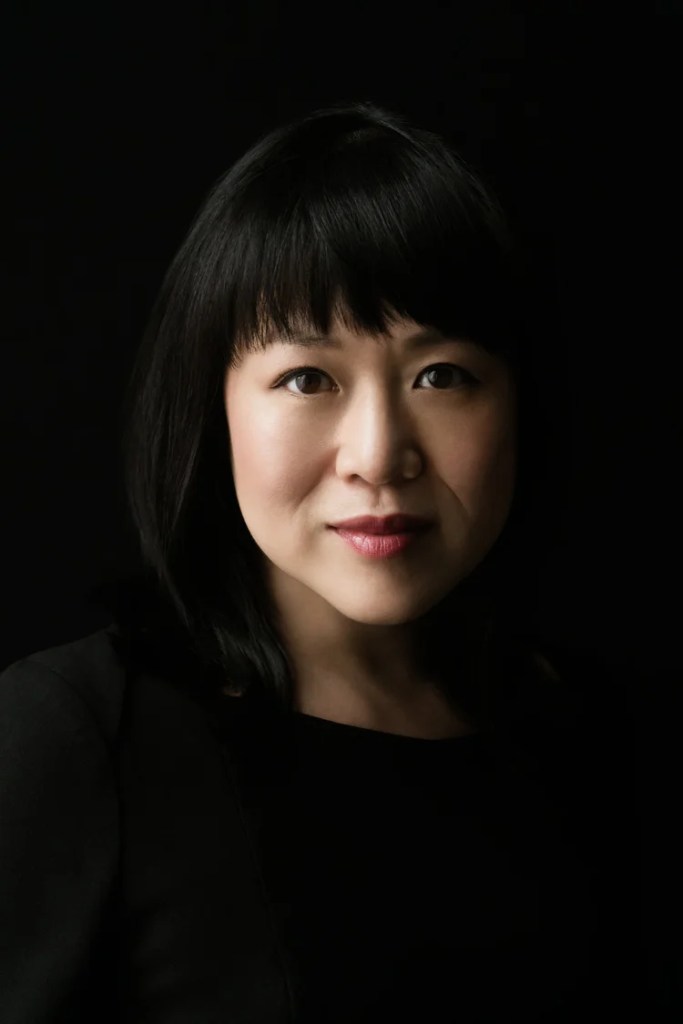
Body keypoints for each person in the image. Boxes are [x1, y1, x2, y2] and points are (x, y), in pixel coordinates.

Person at [0, 101, 649, 1022]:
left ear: (518, 408)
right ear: (212, 407)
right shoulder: (78, 738)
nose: (377, 456)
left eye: (440, 375)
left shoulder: (591, 734)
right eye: (307, 378)